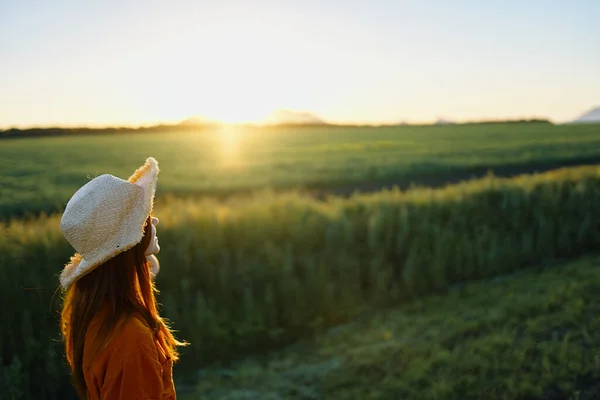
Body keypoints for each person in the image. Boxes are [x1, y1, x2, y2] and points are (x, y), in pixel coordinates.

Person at [58, 157, 187, 399]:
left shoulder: (94, 308)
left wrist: (138, 256)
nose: (155, 220)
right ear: (129, 243)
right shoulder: (132, 341)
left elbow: (146, 268)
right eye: (145, 217)